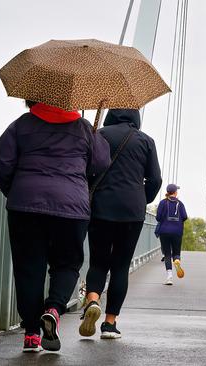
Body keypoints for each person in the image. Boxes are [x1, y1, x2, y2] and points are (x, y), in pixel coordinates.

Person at [0, 101, 110, 352]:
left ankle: (32, 333)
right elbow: (101, 164)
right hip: (72, 207)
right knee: (67, 264)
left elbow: (1, 162)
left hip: (25, 206)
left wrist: (14, 192)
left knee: (28, 268)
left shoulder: (21, 125)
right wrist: (93, 140)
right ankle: (54, 309)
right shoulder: (84, 128)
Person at [80, 109, 162, 339]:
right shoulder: (146, 141)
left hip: (100, 207)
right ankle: (109, 323)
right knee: (120, 266)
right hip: (132, 211)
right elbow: (155, 179)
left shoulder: (99, 135)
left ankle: (93, 300)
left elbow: (86, 170)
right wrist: (141, 197)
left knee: (98, 261)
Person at [156, 184, 188, 285]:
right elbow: (184, 217)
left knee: (167, 254)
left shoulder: (162, 203)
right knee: (176, 253)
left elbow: (158, 217)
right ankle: (177, 260)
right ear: (175, 192)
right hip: (177, 232)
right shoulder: (180, 204)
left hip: (164, 231)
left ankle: (169, 277)